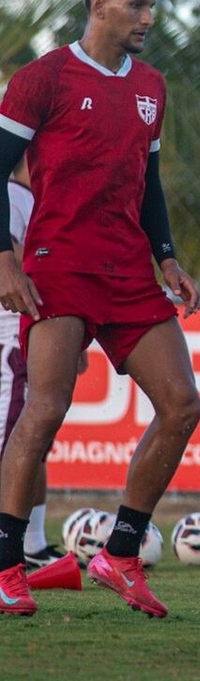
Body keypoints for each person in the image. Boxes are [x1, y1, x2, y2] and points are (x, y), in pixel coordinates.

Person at [0, 0, 200, 619]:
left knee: (182, 406)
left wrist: (167, 257)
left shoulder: (151, 86)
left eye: (152, 6)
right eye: (137, 5)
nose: (149, 17)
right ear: (99, 6)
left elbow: (149, 183)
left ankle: (118, 551)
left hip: (128, 272)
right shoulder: (43, 79)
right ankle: (6, 565)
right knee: (48, 408)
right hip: (60, 266)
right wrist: (5, 261)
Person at [0, 152, 53, 572]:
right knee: (15, 432)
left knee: (37, 435)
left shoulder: (42, 201)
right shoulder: (13, 196)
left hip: (35, 329)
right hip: (9, 334)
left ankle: (32, 543)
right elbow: (16, 263)